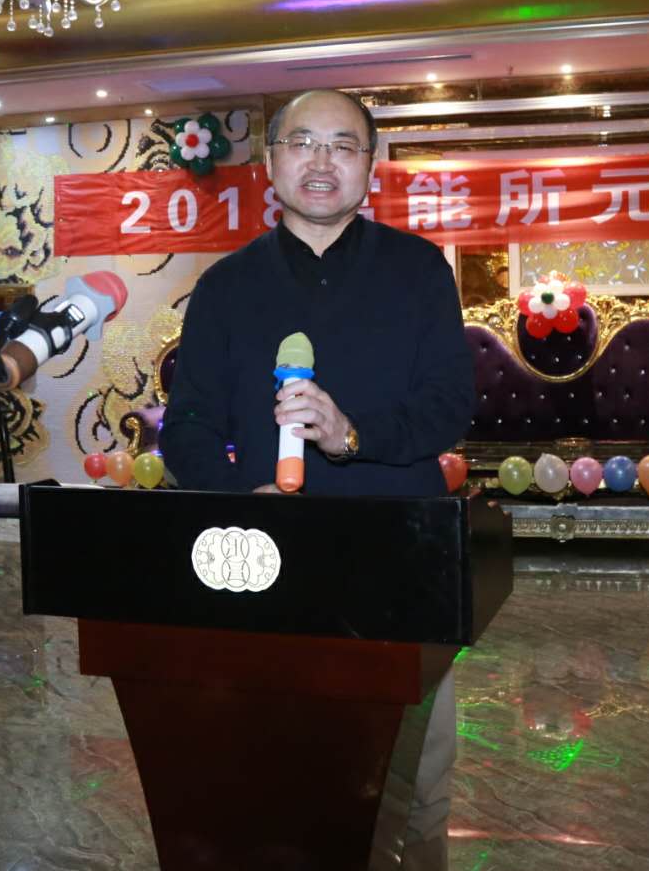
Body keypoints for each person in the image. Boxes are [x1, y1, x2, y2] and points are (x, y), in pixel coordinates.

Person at [159, 89, 474, 870]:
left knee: (412, 787)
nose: (321, 161)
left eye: (342, 144)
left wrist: (350, 435)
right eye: (302, 142)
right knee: (271, 776)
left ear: (370, 164)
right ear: (271, 162)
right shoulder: (226, 286)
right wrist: (245, 499)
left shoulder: (419, 271)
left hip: (398, 555)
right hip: (263, 562)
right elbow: (187, 425)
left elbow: (448, 407)